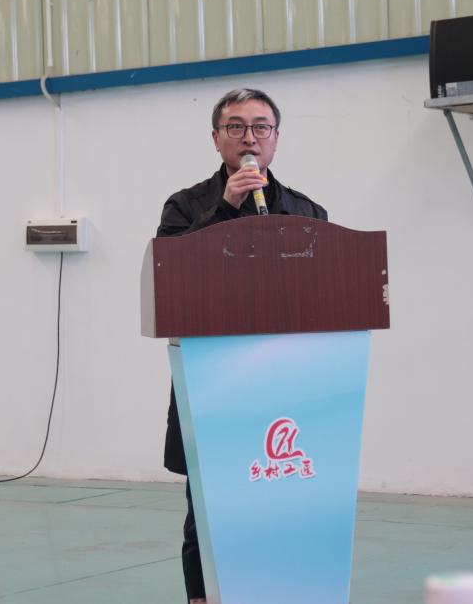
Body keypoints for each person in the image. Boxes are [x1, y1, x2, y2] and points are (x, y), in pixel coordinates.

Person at [155, 88, 327, 603]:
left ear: (276, 138)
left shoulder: (306, 210)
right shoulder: (185, 206)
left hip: (284, 381)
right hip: (211, 376)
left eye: (260, 127)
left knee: (282, 504)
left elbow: (326, 291)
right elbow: (172, 274)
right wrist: (225, 207)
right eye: (236, 127)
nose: (249, 137)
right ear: (216, 138)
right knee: (208, 510)